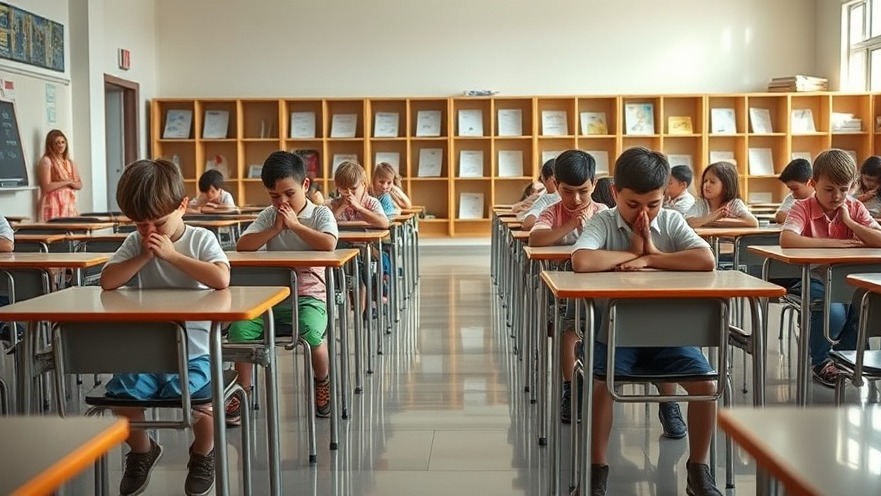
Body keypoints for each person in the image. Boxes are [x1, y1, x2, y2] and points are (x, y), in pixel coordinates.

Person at [571, 147, 720, 496]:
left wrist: (653, 257)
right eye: (633, 205)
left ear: (664, 196)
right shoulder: (604, 221)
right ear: (614, 193)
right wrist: (635, 252)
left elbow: (705, 260)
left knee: (707, 387)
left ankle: (698, 469)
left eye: (653, 204)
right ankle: (597, 471)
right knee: (601, 387)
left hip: (670, 334)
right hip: (615, 336)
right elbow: (582, 261)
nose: (644, 213)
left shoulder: (670, 221)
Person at [100, 159, 230, 496]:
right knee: (121, 399)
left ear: (183, 206)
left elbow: (221, 278)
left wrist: (172, 256)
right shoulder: (136, 242)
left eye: (158, 222)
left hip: (195, 351)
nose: (149, 232)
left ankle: (203, 452)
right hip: (145, 350)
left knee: (201, 407)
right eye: (139, 224)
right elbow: (108, 281)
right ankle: (143, 450)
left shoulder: (201, 239)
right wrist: (144, 256)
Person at [227, 151, 338, 421]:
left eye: (289, 193)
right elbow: (244, 246)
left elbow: (329, 244)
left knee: (312, 333)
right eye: (275, 196)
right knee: (240, 331)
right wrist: (275, 230)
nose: (283, 201)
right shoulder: (269, 216)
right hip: (272, 299)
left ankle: (322, 381)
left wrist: (295, 226)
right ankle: (243, 390)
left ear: (305, 186)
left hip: (309, 295)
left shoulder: (320, 214)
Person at [779, 148, 881, 387]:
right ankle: (821, 361)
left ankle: (845, 359)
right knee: (833, 313)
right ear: (814, 183)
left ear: (852, 186)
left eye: (844, 189)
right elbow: (787, 239)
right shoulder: (802, 207)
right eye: (829, 189)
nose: (837, 196)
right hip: (815, 276)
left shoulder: (854, 208)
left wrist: (849, 222)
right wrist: (834, 244)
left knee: (862, 311)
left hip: (852, 279)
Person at [529, 150, 608, 424]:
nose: (575, 199)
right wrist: (571, 225)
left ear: (594, 185)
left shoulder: (604, 213)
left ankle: (602, 380)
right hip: (566, 294)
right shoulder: (552, 212)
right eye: (567, 191)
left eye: (583, 191)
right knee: (570, 328)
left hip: (603, 291)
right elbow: (536, 239)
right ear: (556, 186)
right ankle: (569, 388)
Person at [686, 161, 758, 228]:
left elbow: (753, 222)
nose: (706, 185)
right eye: (705, 181)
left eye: (712, 182)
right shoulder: (701, 203)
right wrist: (712, 217)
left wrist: (712, 221)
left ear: (726, 185)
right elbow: (688, 222)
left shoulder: (734, 204)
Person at [328, 161, 389, 229]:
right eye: (344, 189)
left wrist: (358, 207)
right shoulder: (334, 204)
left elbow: (384, 224)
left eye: (353, 189)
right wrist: (342, 207)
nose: (349, 193)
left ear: (363, 184)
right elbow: (325, 225)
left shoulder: (372, 203)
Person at [37, 129, 82, 221]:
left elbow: (79, 185)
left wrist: (67, 183)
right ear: (51, 145)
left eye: (63, 142)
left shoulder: (70, 162)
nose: (61, 145)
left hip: (68, 204)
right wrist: (68, 182)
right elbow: (46, 186)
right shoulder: (46, 161)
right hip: (52, 203)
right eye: (57, 143)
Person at [520, 159, 560, 229]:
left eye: (542, 178)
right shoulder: (546, 197)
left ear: (551, 179)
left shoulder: (548, 198)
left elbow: (527, 224)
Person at [774, 158, 814, 224]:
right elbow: (780, 217)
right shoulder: (792, 197)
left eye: (795, 188)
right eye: (790, 188)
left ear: (810, 183)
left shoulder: (822, 198)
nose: (792, 192)